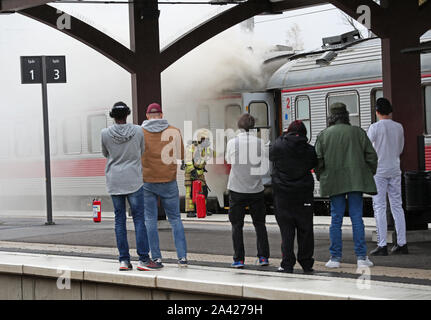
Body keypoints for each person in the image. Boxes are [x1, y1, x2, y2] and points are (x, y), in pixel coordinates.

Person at [315, 102, 378, 269]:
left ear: (331, 116)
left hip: (334, 181)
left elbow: (318, 161)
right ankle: (361, 257)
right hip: (356, 181)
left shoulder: (324, 135)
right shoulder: (358, 132)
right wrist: (366, 172)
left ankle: (335, 258)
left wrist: (322, 176)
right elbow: (371, 156)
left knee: (336, 219)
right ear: (346, 115)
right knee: (357, 218)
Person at [101, 102, 159, 271]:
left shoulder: (104, 133)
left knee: (119, 221)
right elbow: (141, 151)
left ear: (113, 116)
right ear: (127, 115)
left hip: (114, 180)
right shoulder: (138, 130)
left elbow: (106, 154)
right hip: (133, 179)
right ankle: (143, 259)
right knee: (139, 219)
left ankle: (124, 261)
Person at [141, 102, 188, 268]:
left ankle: (157, 257)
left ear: (147, 116)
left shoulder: (140, 132)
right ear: (161, 115)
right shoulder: (174, 131)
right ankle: (182, 257)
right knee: (175, 219)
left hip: (147, 181)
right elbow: (181, 155)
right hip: (168, 180)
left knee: (150, 219)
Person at [270, 120, 317, 274]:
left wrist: (283, 136)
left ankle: (287, 263)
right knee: (306, 230)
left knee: (287, 231)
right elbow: (313, 164)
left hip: (283, 195)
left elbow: (272, 155)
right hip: (303, 195)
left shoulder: (278, 146)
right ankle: (306, 263)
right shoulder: (309, 150)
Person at [225, 113, 270, 268]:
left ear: (239, 126)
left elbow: (229, 161)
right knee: (260, 224)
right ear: (253, 127)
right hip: (256, 189)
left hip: (237, 189)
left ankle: (238, 259)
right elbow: (264, 163)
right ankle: (263, 257)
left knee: (237, 225)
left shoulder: (232, 142)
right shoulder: (260, 142)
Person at [367, 98, 408, 255]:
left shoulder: (374, 127)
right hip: (395, 169)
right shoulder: (399, 127)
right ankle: (402, 243)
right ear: (390, 111)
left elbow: (368, 148)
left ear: (377, 112)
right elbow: (400, 148)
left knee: (379, 206)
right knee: (397, 206)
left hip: (379, 171)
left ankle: (382, 245)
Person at [184, 129, 213, 218]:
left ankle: (202, 208)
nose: (206, 141)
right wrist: (192, 170)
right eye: (205, 139)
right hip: (191, 172)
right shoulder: (191, 147)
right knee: (190, 192)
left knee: (203, 191)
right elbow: (188, 160)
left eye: (207, 139)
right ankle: (190, 211)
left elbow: (208, 156)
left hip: (200, 173)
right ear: (200, 139)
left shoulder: (204, 148)